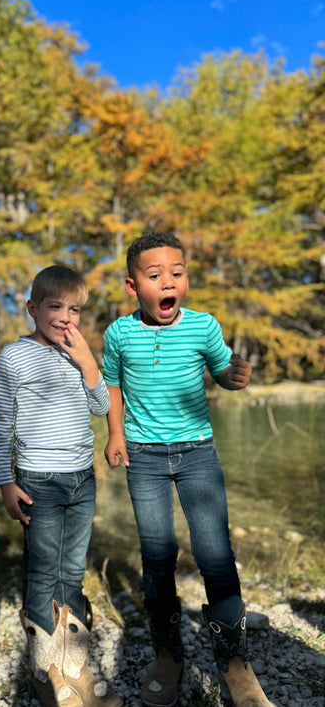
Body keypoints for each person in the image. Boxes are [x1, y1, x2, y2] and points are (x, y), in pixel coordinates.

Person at [103, 231, 271, 707]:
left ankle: (234, 663)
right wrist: (114, 435)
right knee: (157, 554)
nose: (168, 282)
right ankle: (168, 655)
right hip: (144, 456)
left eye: (177, 273)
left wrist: (235, 378)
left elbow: (223, 371)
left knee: (215, 553)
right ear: (134, 286)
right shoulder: (120, 333)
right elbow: (112, 386)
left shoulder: (203, 326)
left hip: (198, 451)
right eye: (155, 275)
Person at [0, 265, 121, 707]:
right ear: (32, 308)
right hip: (38, 480)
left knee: (72, 569)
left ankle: (74, 664)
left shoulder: (78, 351)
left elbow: (103, 405)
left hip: (82, 477)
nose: (65, 317)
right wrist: (5, 482)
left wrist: (87, 361)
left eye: (75, 309)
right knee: (43, 570)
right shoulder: (14, 356)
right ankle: (45, 668)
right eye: (55, 307)